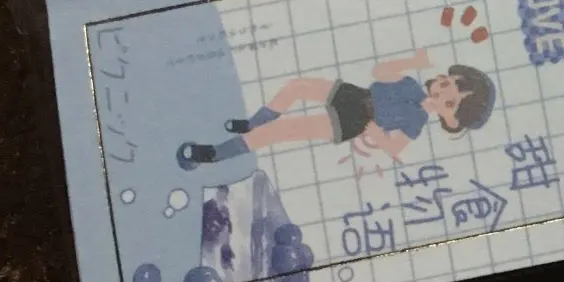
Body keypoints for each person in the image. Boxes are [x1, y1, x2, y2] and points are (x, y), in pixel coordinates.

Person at [177, 49, 494, 170]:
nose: (442, 92)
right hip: (354, 94)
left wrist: (377, 134)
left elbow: (395, 148)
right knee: (298, 86)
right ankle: (252, 124)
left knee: (281, 131)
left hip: (355, 120)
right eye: (447, 83)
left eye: (450, 102)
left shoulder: (417, 120)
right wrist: (413, 61)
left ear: (450, 120)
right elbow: (381, 71)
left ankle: (214, 154)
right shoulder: (411, 85)